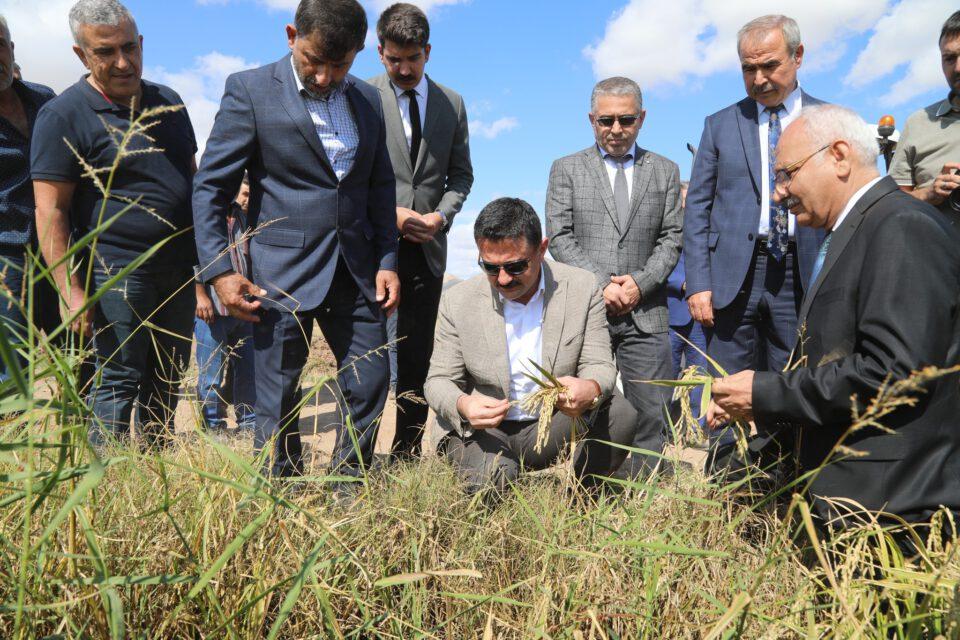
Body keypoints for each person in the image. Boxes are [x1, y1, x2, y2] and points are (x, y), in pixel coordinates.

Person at [707, 105, 960, 528]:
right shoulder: (855, 230)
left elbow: (892, 375)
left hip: (889, 511)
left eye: (787, 173)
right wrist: (759, 406)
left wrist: (766, 393)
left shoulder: (900, 227)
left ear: (838, 156)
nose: (778, 192)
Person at [193, 0, 399, 482]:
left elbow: (379, 186)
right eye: (313, 61)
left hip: (355, 268)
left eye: (340, 64)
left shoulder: (368, 101)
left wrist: (387, 258)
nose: (325, 77)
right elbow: (210, 187)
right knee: (276, 393)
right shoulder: (249, 90)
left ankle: (348, 486)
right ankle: (279, 492)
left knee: (372, 380)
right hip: (278, 275)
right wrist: (220, 271)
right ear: (291, 35)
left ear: (359, 52)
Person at [32, 0, 198, 448]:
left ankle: (154, 470)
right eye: (105, 52)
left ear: (141, 43)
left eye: (129, 47)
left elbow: (191, 176)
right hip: (115, 274)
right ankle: (105, 483)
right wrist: (70, 291)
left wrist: (205, 267)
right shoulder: (63, 116)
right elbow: (51, 211)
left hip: (178, 271)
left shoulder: (170, 102)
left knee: (168, 377)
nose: (122, 62)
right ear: (81, 55)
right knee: (117, 379)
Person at [424, 198, 636, 495]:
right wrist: (464, 405)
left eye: (515, 266)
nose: (503, 279)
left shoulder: (581, 287)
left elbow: (599, 364)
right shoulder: (458, 301)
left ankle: (582, 501)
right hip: (481, 431)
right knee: (497, 478)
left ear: (542, 249)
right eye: (490, 267)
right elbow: (438, 381)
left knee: (620, 412)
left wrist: (590, 387)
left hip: (550, 426)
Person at [684, 15, 826, 432]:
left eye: (770, 66)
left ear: (798, 56)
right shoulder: (720, 125)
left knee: (791, 379)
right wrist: (699, 282)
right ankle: (731, 485)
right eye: (749, 68)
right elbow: (697, 208)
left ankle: (787, 479)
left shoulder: (828, 121)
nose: (759, 78)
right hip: (732, 278)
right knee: (727, 388)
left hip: (802, 272)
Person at [546, 76, 682, 475]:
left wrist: (640, 282)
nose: (616, 130)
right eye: (606, 121)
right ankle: (591, 488)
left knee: (651, 412)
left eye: (626, 120)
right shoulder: (567, 169)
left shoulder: (665, 171)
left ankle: (642, 495)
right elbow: (560, 236)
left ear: (642, 118)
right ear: (591, 120)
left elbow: (673, 236)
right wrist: (603, 284)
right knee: (591, 407)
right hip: (590, 312)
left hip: (647, 311)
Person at [368, 2, 473, 459]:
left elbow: (462, 176)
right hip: (369, 247)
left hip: (427, 250)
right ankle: (357, 456)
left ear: (428, 51)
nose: (405, 68)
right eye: (395, 59)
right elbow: (346, 173)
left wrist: (441, 217)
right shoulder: (361, 95)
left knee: (416, 358)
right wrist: (387, 210)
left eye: (413, 58)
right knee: (366, 358)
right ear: (379, 53)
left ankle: (406, 454)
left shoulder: (452, 103)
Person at [0, 15, 56, 380]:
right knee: (11, 367)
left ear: (11, 48)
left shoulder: (44, 99)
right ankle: (12, 434)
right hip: (6, 256)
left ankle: (78, 435)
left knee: (78, 348)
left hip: (58, 247)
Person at [193, 174, 255, 434]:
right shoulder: (209, 215)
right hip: (212, 310)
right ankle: (213, 425)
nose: (247, 199)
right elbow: (194, 255)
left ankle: (248, 421)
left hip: (245, 307)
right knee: (211, 372)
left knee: (247, 369)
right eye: (245, 193)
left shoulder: (245, 218)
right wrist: (200, 295)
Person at [889, 10, 960, 216]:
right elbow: (890, 203)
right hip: (936, 247)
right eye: (949, 58)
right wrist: (928, 194)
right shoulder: (919, 124)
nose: (957, 67)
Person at [665, 182, 707, 428]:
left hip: (700, 319)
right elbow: (660, 267)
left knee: (699, 377)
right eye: (682, 199)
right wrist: (683, 284)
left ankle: (695, 428)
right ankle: (664, 429)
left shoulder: (704, 228)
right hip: (671, 315)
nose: (686, 204)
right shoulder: (666, 230)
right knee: (667, 378)